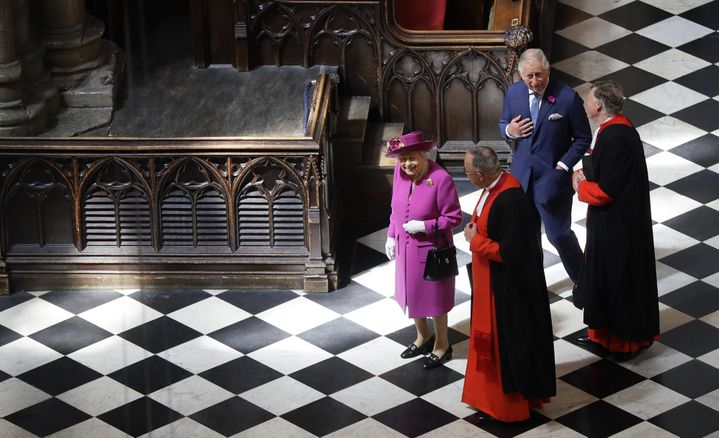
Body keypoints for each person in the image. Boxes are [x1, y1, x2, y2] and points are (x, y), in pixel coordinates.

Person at [462, 146, 555, 422]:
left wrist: (474, 241)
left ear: (479, 175)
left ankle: (506, 406)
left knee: (507, 345)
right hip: (488, 281)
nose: (467, 177)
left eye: (467, 173)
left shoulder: (510, 200)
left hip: (506, 289)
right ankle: (487, 398)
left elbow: (510, 253)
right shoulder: (495, 187)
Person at [572, 80, 659, 361]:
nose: (585, 104)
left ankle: (622, 342)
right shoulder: (616, 128)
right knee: (607, 277)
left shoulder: (616, 136)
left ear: (598, 105)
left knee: (617, 278)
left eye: (588, 100)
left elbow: (607, 191)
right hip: (616, 222)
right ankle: (603, 335)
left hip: (618, 226)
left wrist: (579, 186)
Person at [499, 48, 591, 285]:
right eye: (529, 76)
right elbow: (503, 124)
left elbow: (583, 138)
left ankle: (586, 283)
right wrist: (510, 131)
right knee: (526, 237)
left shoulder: (567, 97)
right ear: (521, 75)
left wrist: (562, 165)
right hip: (521, 180)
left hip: (552, 180)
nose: (534, 81)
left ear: (548, 70)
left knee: (558, 235)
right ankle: (532, 286)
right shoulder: (514, 93)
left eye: (538, 75)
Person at [385, 131, 462, 369]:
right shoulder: (400, 173)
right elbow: (395, 208)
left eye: (412, 158)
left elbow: (454, 217)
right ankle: (423, 337)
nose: (407, 164)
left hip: (431, 251)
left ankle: (442, 344)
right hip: (405, 250)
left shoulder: (441, 178)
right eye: (402, 159)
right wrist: (391, 235)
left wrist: (426, 226)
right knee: (411, 295)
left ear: (424, 155)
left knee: (435, 300)